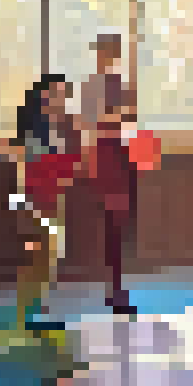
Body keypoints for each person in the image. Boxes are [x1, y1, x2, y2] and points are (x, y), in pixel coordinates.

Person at [10, 75, 79, 332]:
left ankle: (36, 309)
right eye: (57, 94)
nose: (62, 100)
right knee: (37, 258)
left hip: (49, 199)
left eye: (64, 95)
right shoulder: (35, 131)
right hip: (35, 201)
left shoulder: (56, 129)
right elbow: (42, 168)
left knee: (46, 258)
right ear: (44, 98)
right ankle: (30, 312)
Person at [81, 32, 140, 316]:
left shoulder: (122, 85)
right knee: (109, 223)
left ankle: (117, 285)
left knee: (121, 223)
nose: (109, 56)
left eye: (113, 51)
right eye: (105, 51)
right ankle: (112, 287)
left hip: (122, 154)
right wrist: (116, 117)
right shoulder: (91, 85)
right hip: (104, 154)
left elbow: (130, 118)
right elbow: (91, 121)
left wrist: (121, 117)